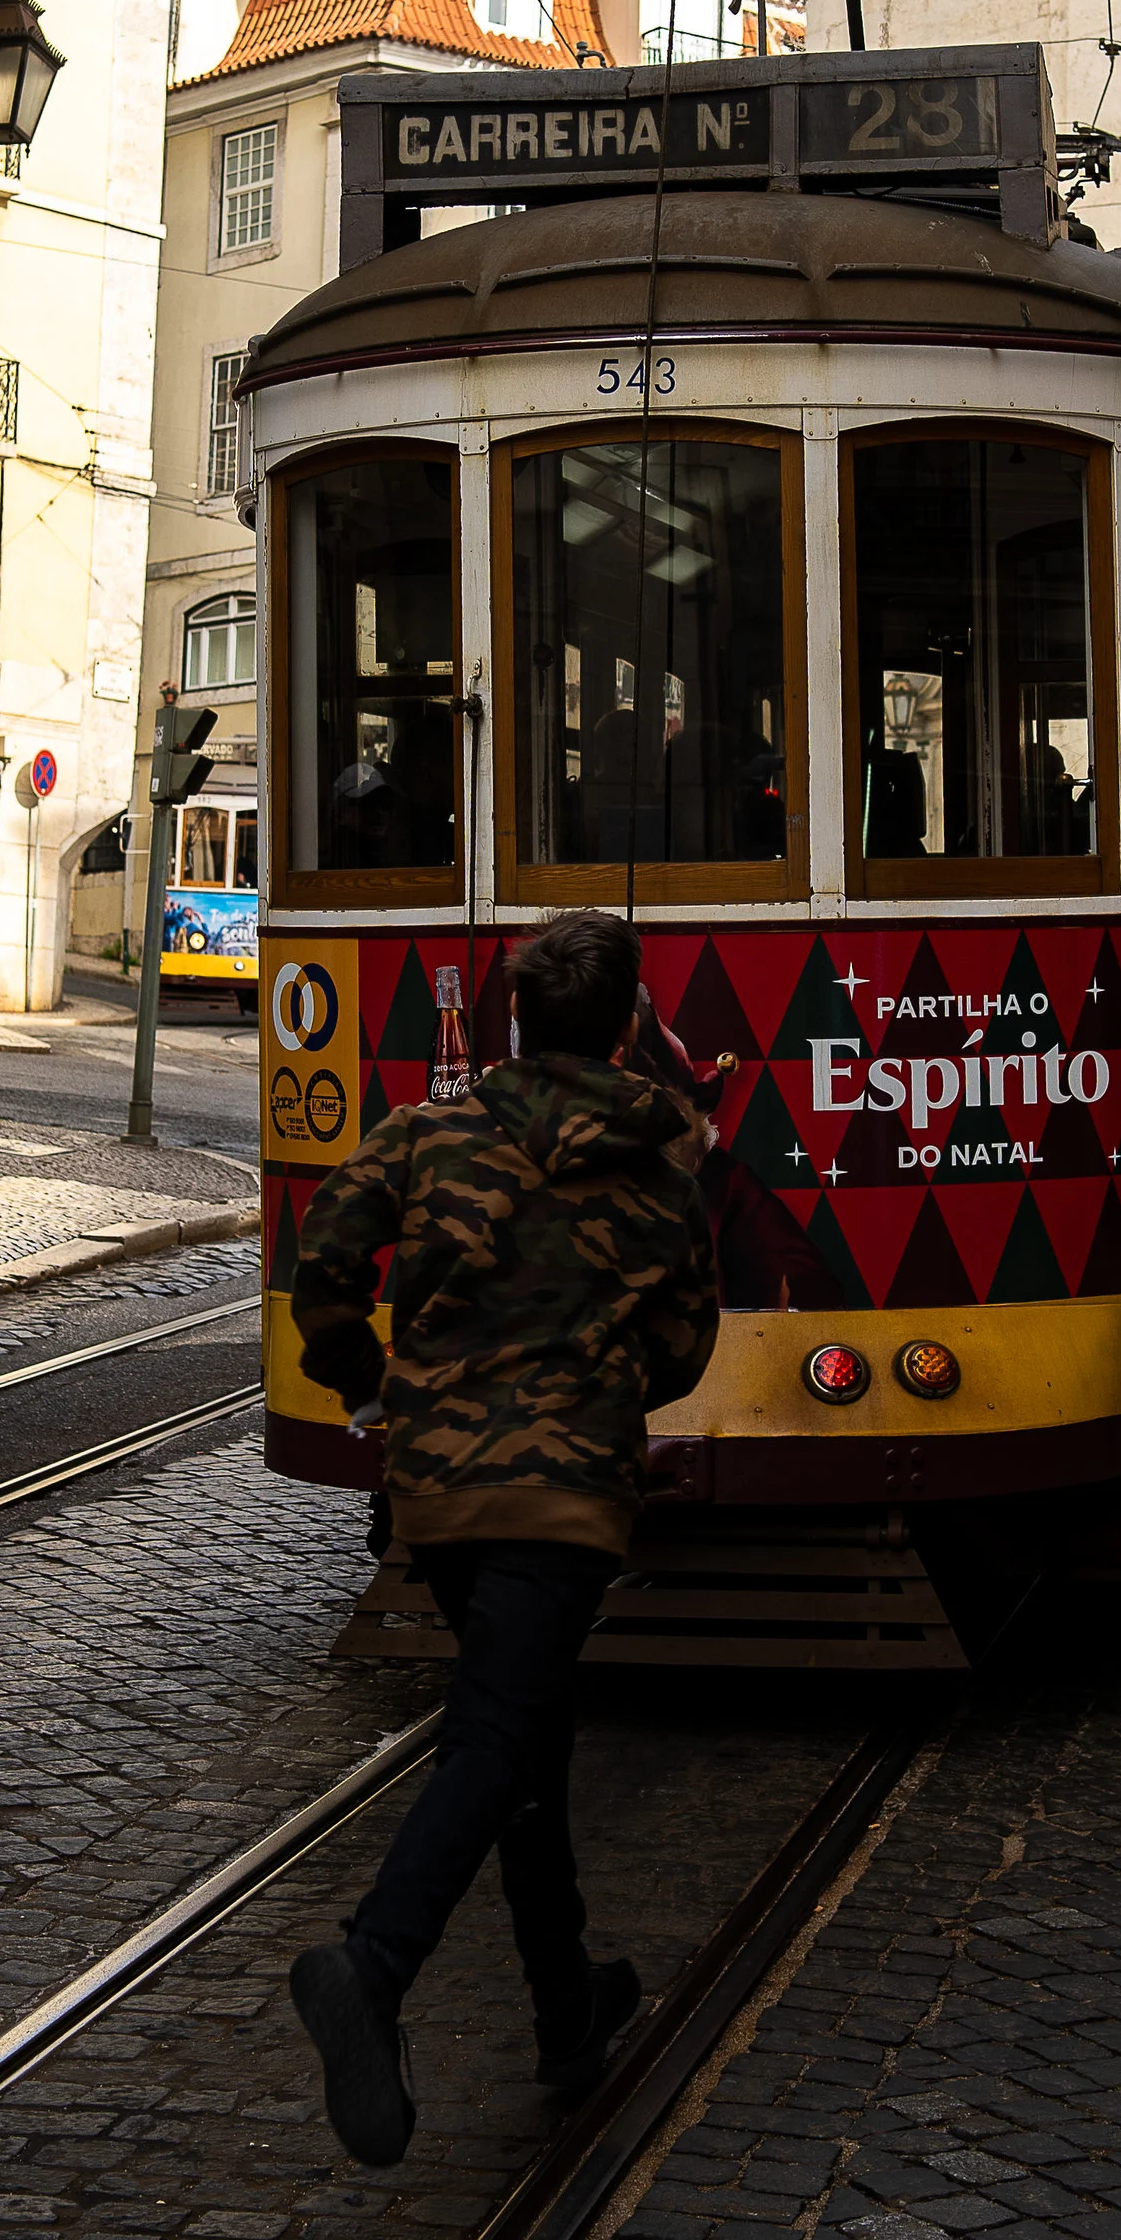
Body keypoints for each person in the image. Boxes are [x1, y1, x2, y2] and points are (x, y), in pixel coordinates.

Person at [284, 909, 718, 2165]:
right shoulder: (658, 1167)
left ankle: (564, 2005)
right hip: (564, 1495)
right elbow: (684, 1346)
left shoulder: (426, 1132)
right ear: (628, 1028)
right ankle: (372, 1965)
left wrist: (369, 1387)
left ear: (516, 1022)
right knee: (494, 1732)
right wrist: (603, 1385)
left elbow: (325, 1259)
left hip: (434, 1490)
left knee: (527, 1728)